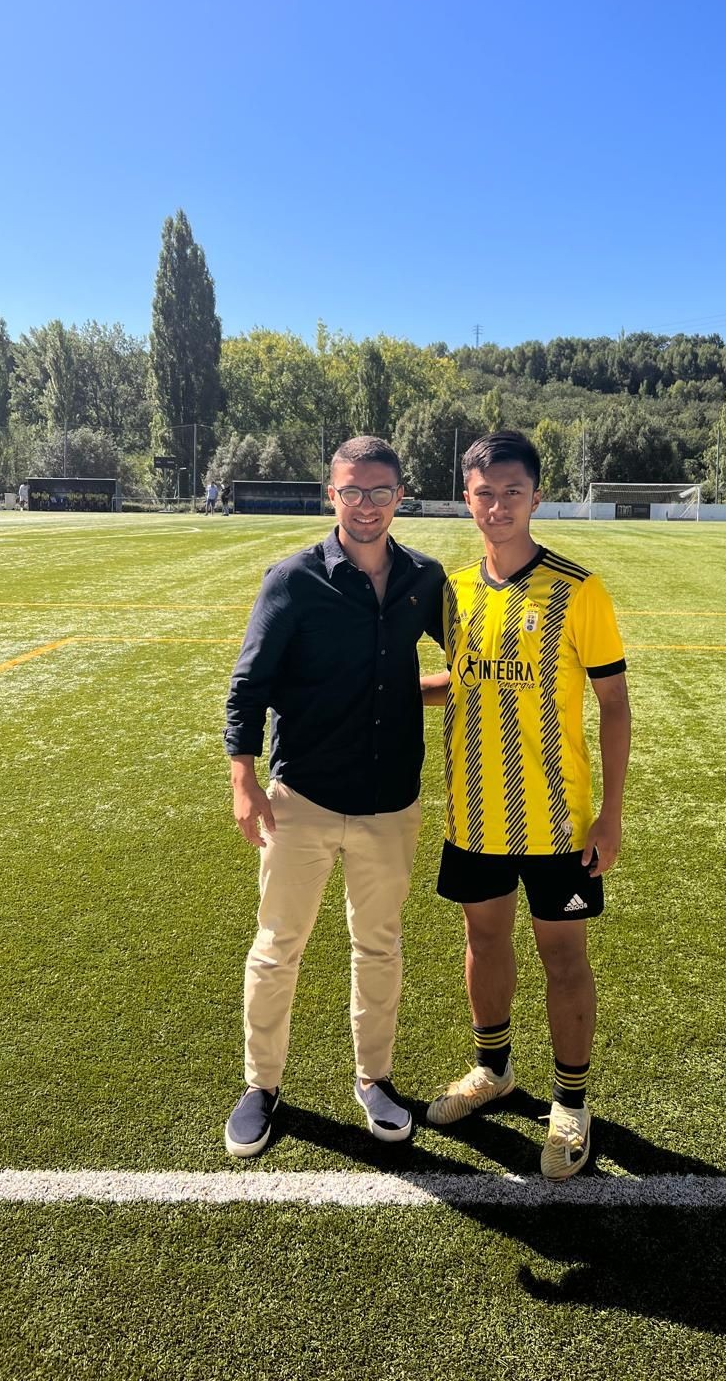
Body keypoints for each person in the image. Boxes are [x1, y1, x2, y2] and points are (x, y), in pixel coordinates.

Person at [223, 436, 447, 1158]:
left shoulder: (424, 578)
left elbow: (473, 657)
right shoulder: (292, 579)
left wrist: (447, 689)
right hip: (304, 800)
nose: (367, 505)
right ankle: (261, 1087)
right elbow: (248, 688)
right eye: (353, 491)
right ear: (332, 494)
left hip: (390, 804)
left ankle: (374, 1080)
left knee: (378, 946)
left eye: (380, 491)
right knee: (277, 947)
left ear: (400, 496)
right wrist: (244, 781)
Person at [427, 430, 631, 1180]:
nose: (498, 506)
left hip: (559, 822)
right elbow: (468, 678)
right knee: (483, 943)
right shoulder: (453, 591)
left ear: (537, 496)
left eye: (513, 491)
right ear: (467, 500)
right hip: (473, 814)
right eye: (484, 493)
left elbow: (613, 703)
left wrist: (610, 814)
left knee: (564, 956)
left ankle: (571, 1107)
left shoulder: (579, 589)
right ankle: (493, 1070)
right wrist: (388, 690)